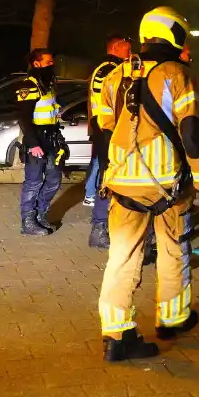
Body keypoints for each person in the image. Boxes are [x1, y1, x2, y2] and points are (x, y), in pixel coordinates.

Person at [96, 7, 199, 362]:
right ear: (175, 34)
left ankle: (117, 335)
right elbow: (191, 132)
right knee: (173, 249)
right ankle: (172, 317)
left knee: (121, 257)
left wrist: (110, 173)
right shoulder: (178, 74)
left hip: (123, 185)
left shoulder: (116, 75)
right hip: (167, 185)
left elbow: (103, 131)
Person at [85, 34, 133, 248]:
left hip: (112, 131)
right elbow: (106, 104)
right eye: (127, 49)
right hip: (108, 132)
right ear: (115, 48)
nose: (130, 54)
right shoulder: (107, 70)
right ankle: (100, 229)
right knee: (108, 177)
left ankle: (110, 227)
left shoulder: (117, 68)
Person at [16, 49, 67, 236]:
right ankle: (28, 222)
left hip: (52, 139)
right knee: (34, 181)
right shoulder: (28, 86)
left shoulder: (49, 85)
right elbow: (24, 118)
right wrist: (33, 142)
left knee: (54, 180)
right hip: (36, 140)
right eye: (48, 62)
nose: (52, 65)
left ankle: (40, 215)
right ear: (36, 64)